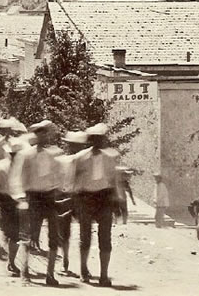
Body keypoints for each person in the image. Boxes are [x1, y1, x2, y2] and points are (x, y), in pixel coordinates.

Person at [9, 120, 63, 286]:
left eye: (45, 132)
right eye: (39, 132)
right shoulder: (26, 155)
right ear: (35, 135)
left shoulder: (54, 154)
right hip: (32, 197)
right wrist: (21, 197)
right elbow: (16, 177)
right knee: (27, 236)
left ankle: (50, 274)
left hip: (49, 197)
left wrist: (59, 191)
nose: (42, 135)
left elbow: (59, 175)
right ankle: (25, 274)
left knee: (54, 237)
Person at [73, 123, 122, 287]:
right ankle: (83, 270)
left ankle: (104, 275)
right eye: (96, 139)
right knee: (85, 237)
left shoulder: (110, 158)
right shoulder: (81, 158)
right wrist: (75, 202)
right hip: (86, 198)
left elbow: (114, 181)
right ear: (90, 140)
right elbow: (76, 181)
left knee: (105, 238)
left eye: (101, 139)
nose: (99, 142)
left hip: (104, 198)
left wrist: (117, 201)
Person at [0, 135, 28, 276]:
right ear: (9, 154)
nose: (15, 157)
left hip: (17, 200)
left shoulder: (23, 167)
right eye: (13, 154)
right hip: (2, 200)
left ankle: (11, 262)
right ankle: (6, 248)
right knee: (6, 230)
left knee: (14, 235)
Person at [56, 130, 90, 276]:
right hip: (68, 196)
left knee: (81, 233)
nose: (75, 147)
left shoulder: (79, 161)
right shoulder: (62, 160)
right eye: (73, 145)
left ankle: (79, 265)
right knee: (66, 232)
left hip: (79, 197)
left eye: (77, 145)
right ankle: (66, 262)